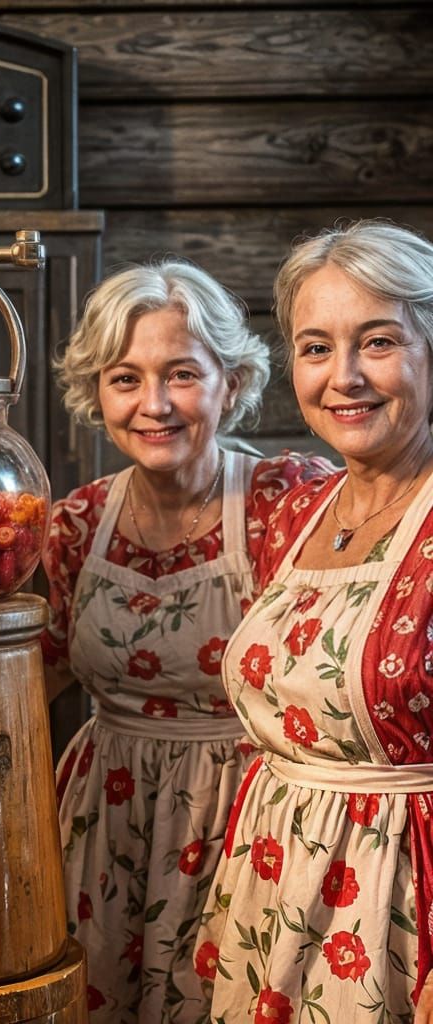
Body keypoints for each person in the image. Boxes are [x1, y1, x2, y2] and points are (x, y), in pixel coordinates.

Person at [43, 259, 331, 1022]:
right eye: (125, 378)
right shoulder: (75, 524)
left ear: (230, 384)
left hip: (243, 813)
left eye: (181, 374)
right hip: (104, 816)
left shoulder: (284, 501)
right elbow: (33, 681)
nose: (154, 404)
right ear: (95, 392)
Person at [196, 220, 433, 1022]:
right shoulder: (297, 510)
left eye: (376, 342)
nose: (345, 377)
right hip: (271, 895)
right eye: (316, 347)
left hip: (398, 917)